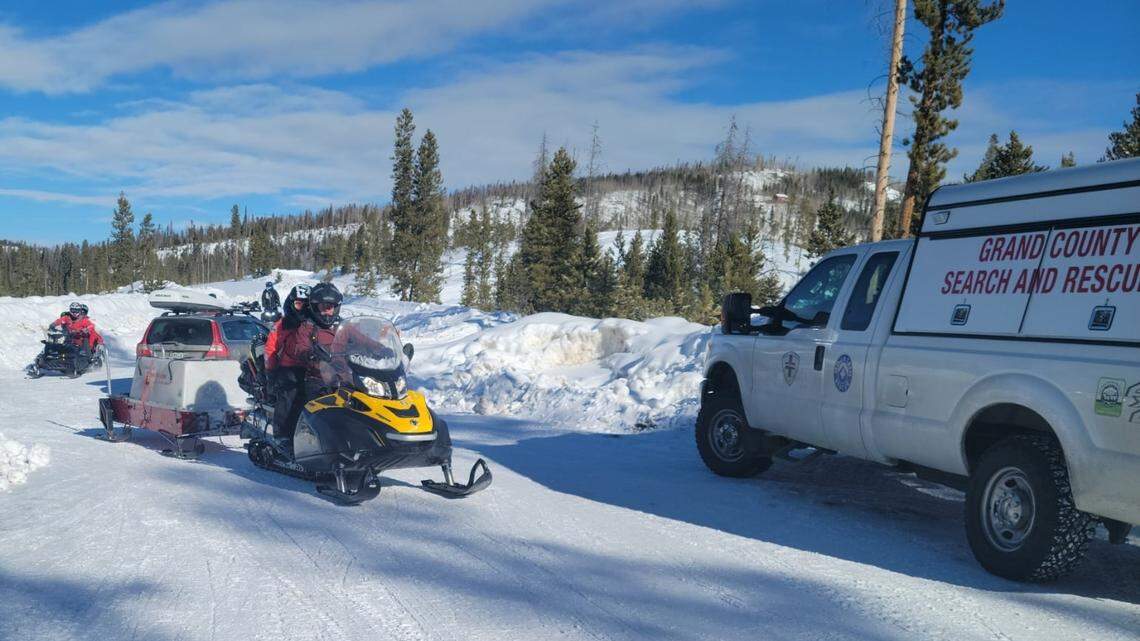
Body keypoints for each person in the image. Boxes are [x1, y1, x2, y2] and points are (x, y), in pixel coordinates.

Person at [273, 283, 342, 451]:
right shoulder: (304, 326)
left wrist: (380, 346)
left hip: (336, 373)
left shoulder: (340, 326)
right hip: (305, 371)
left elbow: (360, 338)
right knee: (292, 393)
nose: (328, 311)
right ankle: (284, 435)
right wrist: (311, 356)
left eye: (331, 307)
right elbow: (299, 347)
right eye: (324, 307)